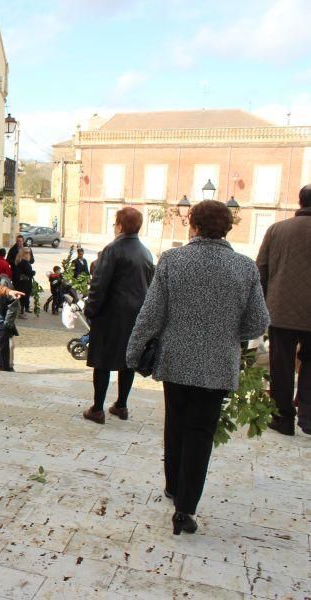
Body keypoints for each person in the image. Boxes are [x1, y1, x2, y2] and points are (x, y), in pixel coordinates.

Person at [127, 200, 269, 534]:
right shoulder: (245, 267)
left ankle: (173, 486)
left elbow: (152, 313)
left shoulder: (173, 261)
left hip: (176, 362)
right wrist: (228, 332)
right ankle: (186, 509)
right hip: (218, 366)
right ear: (228, 227)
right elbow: (257, 323)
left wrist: (133, 351)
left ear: (194, 224)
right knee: (201, 433)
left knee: (175, 424)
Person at [82, 207, 154, 424]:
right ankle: (121, 405)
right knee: (127, 361)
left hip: (111, 315)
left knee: (102, 362)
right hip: (135, 315)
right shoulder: (145, 252)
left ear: (120, 225)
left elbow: (99, 283)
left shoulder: (113, 249)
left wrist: (91, 309)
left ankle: (97, 408)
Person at [256, 183, 311, 436]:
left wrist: (263, 304)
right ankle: (308, 417)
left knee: (281, 365)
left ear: (300, 202)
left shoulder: (276, 230)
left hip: (280, 310)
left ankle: (283, 418)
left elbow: (261, 270)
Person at [13, 246, 35, 315]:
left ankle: (21, 311)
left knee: (20, 297)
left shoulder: (18, 260)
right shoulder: (24, 262)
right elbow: (30, 273)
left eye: (29, 252)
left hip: (19, 282)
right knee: (23, 297)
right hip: (24, 283)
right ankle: (21, 312)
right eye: (27, 253)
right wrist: (33, 272)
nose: (29, 254)